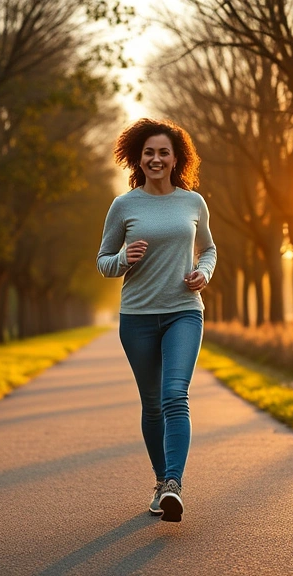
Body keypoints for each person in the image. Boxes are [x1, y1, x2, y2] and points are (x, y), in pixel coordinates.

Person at [97, 118, 217, 523]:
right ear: (138, 157)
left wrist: (204, 273)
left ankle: (173, 485)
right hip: (138, 317)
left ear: (176, 157)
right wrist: (122, 259)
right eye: (148, 152)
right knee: (152, 405)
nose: (156, 158)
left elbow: (209, 250)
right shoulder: (124, 205)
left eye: (163, 151)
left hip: (184, 311)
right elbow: (103, 263)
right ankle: (160, 480)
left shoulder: (192, 202)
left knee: (173, 395)